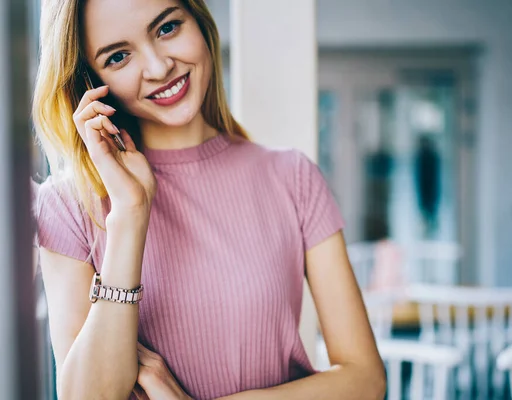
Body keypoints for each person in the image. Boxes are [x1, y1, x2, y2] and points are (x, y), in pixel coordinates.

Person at [32, 0, 386, 399]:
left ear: (199, 22)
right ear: (90, 83)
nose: (159, 66)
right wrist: (130, 214)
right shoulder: (66, 207)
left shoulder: (292, 177)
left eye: (167, 28)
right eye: (118, 56)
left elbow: (367, 380)